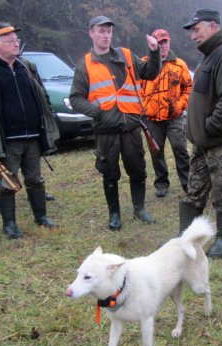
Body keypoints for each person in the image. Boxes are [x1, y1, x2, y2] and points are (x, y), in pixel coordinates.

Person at [69, 16, 160, 231]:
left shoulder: (126, 55)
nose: (105, 35)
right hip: (106, 131)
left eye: (108, 31)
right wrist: (98, 113)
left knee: (138, 169)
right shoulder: (85, 64)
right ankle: (115, 215)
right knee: (109, 173)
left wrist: (155, 52)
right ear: (91, 33)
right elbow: (75, 98)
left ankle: (139, 210)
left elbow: (150, 72)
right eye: (101, 31)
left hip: (131, 127)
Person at [0, 22, 60, 239]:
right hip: (7, 139)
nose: (15, 43)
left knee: (35, 179)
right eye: (10, 41)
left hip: (32, 136)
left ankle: (41, 217)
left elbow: (43, 95)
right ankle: (9, 225)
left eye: (16, 40)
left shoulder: (26, 66)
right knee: (8, 182)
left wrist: (46, 123)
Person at [180, 8, 222, 259]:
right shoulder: (209, 56)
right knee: (194, 191)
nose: (193, 35)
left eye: (197, 29)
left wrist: (208, 128)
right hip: (202, 143)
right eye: (191, 31)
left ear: (213, 26)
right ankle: (184, 238)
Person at [141, 29, 192, 198]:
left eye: (165, 42)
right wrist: (144, 106)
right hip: (153, 118)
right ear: (153, 45)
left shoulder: (179, 65)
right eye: (159, 43)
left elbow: (188, 88)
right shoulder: (145, 64)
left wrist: (180, 104)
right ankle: (161, 183)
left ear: (169, 42)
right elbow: (137, 89)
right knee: (156, 152)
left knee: (180, 149)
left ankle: (188, 183)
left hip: (175, 117)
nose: (163, 46)